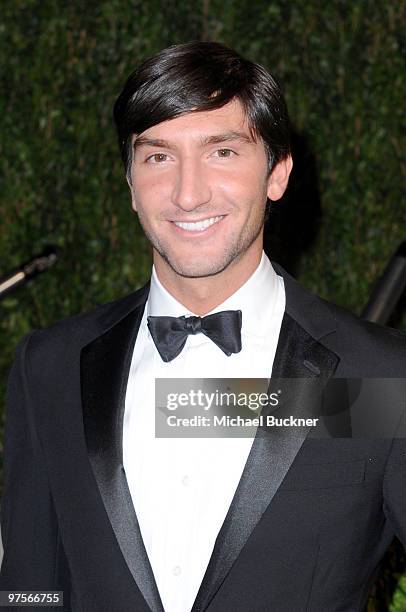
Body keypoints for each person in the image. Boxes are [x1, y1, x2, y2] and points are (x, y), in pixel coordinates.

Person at [0, 41, 405, 612]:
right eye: (159, 157)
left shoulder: (384, 377)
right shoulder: (50, 367)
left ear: (277, 173)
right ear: (130, 182)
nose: (188, 194)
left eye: (222, 152)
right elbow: (28, 588)